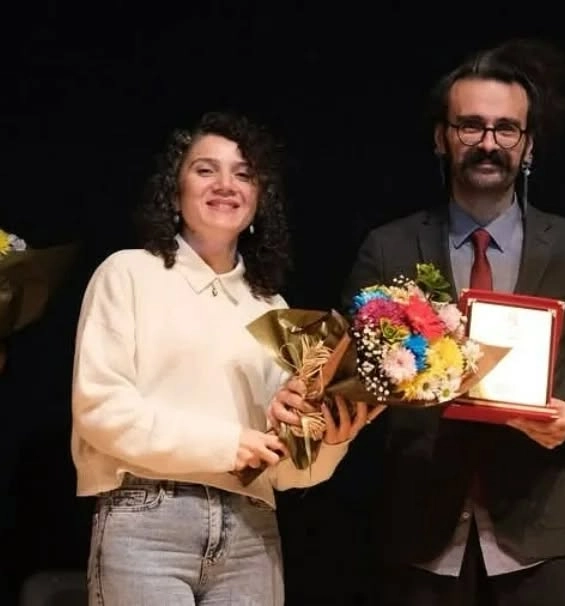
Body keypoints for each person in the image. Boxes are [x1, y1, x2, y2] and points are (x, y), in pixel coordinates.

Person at [271, 39, 565, 606]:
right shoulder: (388, 248)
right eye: (471, 126)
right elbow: (344, 378)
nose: (488, 143)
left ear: (528, 145)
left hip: (545, 532)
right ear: (442, 137)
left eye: (506, 129)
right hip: (420, 533)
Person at [71, 111, 379, 606]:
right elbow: (100, 410)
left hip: (250, 531)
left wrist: (328, 441)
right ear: (175, 192)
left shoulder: (271, 308)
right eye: (205, 170)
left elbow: (286, 470)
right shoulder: (128, 273)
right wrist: (228, 445)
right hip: (148, 523)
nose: (225, 185)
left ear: (258, 200)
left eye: (243, 173)